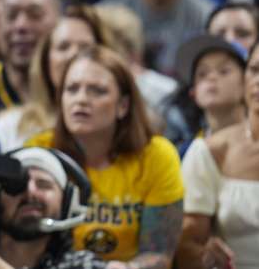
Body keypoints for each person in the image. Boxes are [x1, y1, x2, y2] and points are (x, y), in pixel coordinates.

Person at [28, 46, 183, 268]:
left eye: (97, 91)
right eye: (72, 89)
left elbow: (158, 253)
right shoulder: (40, 152)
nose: (81, 99)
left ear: (123, 106)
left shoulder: (157, 156)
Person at [177, 42, 259, 269]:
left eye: (224, 71)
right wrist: (205, 256)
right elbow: (186, 248)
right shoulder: (208, 151)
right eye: (254, 70)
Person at [0, 6, 119, 151]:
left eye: (85, 48)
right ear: (45, 60)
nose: (73, 55)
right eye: (63, 47)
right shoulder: (10, 126)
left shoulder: (122, 132)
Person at [161, 34, 246, 155]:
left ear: (246, 82)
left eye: (224, 71)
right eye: (202, 74)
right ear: (193, 92)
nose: (211, 77)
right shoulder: (187, 153)